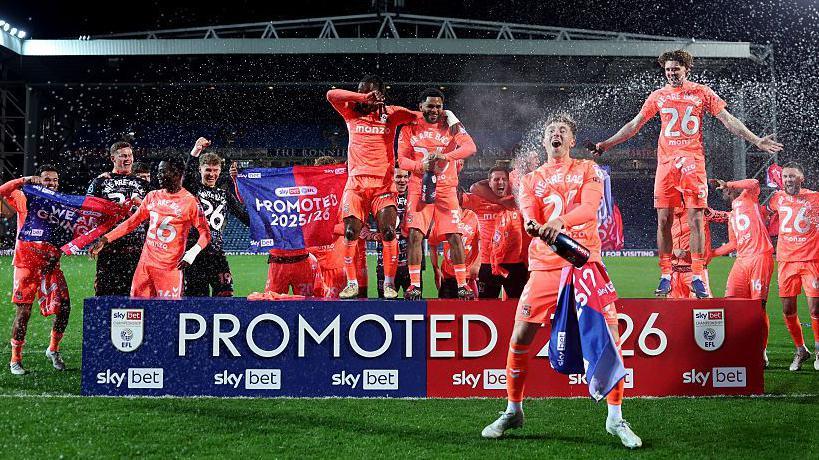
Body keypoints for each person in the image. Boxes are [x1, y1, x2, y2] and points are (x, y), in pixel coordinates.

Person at [482, 114, 641, 449]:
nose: (556, 134)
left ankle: (615, 418)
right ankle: (513, 410)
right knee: (520, 336)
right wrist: (531, 224)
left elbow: (590, 209)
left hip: (584, 264)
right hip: (544, 267)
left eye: (563, 131)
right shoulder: (530, 179)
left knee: (611, 339)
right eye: (551, 131)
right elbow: (529, 212)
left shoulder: (588, 169)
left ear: (571, 140)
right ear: (544, 141)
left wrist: (559, 221)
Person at [592, 49, 783, 298]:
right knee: (664, 220)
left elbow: (728, 119)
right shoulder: (658, 96)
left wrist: (756, 140)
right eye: (668, 69)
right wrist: (606, 144)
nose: (671, 73)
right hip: (666, 164)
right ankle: (665, 274)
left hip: (693, 162)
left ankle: (697, 275)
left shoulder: (701, 92)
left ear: (686, 69)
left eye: (676, 69)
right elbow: (634, 124)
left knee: (696, 220)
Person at [326, 75, 420, 299]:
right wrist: (362, 98)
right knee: (351, 232)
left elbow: (418, 117)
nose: (364, 96)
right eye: (361, 91)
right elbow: (331, 94)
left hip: (383, 186)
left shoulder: (392, 114)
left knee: (388, 232)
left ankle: (389, 283)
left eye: (369, 92)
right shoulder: (351, 112)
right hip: (356, 185)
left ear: (381, 94)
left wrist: (445, 117)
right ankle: (351, 283)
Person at [91, 158, 211, 298]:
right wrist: (106, 239)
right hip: (145, 267)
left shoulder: (190, 202)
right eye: (158, 172)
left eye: (163, 172)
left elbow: (205, 233)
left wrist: (192, 253)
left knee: (168, 310)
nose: (158, 176)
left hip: (169, 269)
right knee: (137, 309)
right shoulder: (152, 196)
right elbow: (132, 222)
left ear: (177, 173)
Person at [397, 88, 476, 300]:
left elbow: (470, 148)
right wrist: (421, 166)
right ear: (420, 106)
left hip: (446, 188)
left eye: (438, 106)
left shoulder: (452, 125)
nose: (434, 110)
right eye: (430, 106)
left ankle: (462, 285)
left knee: (454, 236)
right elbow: (401, 160)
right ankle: (415, 285)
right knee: (415, 234)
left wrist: (445, 156)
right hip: (419, 186)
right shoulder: (409, 128)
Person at [1, 166, 71, 374]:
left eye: (55, 180)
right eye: (47, 179)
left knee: (64, 308)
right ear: (38, 180)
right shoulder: (24, 197)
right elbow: (1, 191)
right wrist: (24, 180)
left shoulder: (61, 204)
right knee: (23, 312)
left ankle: (53, 349)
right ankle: (15, 359)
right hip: (26, 264)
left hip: (51, 265)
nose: (52, 183)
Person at [711, 178, 775, 366]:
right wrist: (711, 254)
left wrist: (729, 183)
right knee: (732, 304)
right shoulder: (732, 214)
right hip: (742, 260)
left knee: (758, 308)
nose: (723, 192)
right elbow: (733, 244)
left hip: (760, 256)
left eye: (725, 189)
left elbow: (754, 182)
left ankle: (761, 351)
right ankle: (740, 347)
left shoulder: (749, 197)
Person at [766, 162, 819, 371]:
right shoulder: (777, 198)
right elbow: (764, 213)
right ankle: (800, 350)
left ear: (801, 178)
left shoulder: (814, 198)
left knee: (815, 308)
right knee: (788, 309)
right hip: (786, 262)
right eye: (786, 176)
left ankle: (818, 351)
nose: (788, 179)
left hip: (811, 261)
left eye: (792, 176)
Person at [182, 138, 250, 296]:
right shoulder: (192, 190)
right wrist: (196, 150)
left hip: (217, 254)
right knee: (197, 299)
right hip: (194, 253)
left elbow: (244, 217)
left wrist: (269, 220)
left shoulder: (225, 195)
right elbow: (187, 174)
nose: (211, 174)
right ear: (200, 169)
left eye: (215, 170)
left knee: (225, 295)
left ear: (220, 171)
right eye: (208, 170)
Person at [86, 141, 152, 296]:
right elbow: (87, 212)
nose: (128, 159)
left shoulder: (143, 184)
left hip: (138, 250)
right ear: (112, 159)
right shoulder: (100, 182)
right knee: (105, 298)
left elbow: (156, 212)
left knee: (137, 297)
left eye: (130, 155)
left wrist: (140, 205)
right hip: (109, 250)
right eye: (123, 156)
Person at [463, 167, 527, 298]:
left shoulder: (517, 201)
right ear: (489, 183)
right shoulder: (478, 200)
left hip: (515, 263)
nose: (500, 182)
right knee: (486, 305)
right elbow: (464, 193)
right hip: (488, 264)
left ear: (509, 182)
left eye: (504, 179)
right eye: (496, 179)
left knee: (517, 305)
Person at [666, 206, 729, 299]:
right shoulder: (668, 214)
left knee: (704, 306)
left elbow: (727, 217)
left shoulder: (700, 209)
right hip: (674, 272)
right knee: (672, 307)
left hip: (695, 271)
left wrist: (740, 211)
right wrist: (672, 251)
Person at [375, 168, 417, 298]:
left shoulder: (415, 197)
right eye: (398, 177)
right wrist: (371, 235)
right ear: (391, 178)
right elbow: (362, 223)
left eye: (405, 176)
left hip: (410, 266)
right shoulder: (380, 197)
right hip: (384, 264)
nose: (402, 180)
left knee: (414, 306)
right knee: (386, 306)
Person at [429, 200, 480, 299]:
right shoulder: (443, 218)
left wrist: (477, 264)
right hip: (448, 276)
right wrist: (436, 269)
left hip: (469, 276)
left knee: (471, 307)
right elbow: (432, 243)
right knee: (445, 307)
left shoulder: (473, 217)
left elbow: (482, 242)